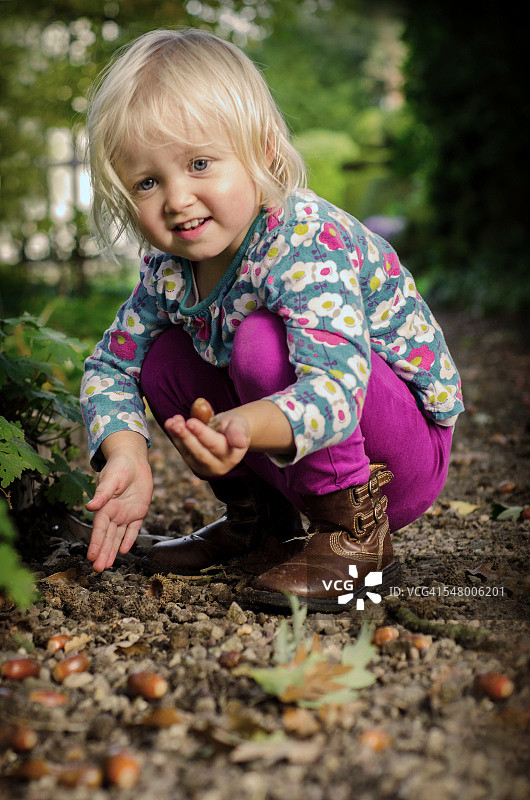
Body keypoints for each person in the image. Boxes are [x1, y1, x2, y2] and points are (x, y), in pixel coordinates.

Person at [80, 28, 464, 612]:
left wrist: (240, 428)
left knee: (261, 341)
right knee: (162, 359)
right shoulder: (168, 269)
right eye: (148, 182)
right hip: (287, 449)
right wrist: (126, 452)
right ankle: (261, 523)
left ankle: (353, 535)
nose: (177, 199)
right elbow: (111, 365)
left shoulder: (302, 239)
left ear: (261, 151)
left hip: (393, 459)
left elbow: (336, 389)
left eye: (199, 163)